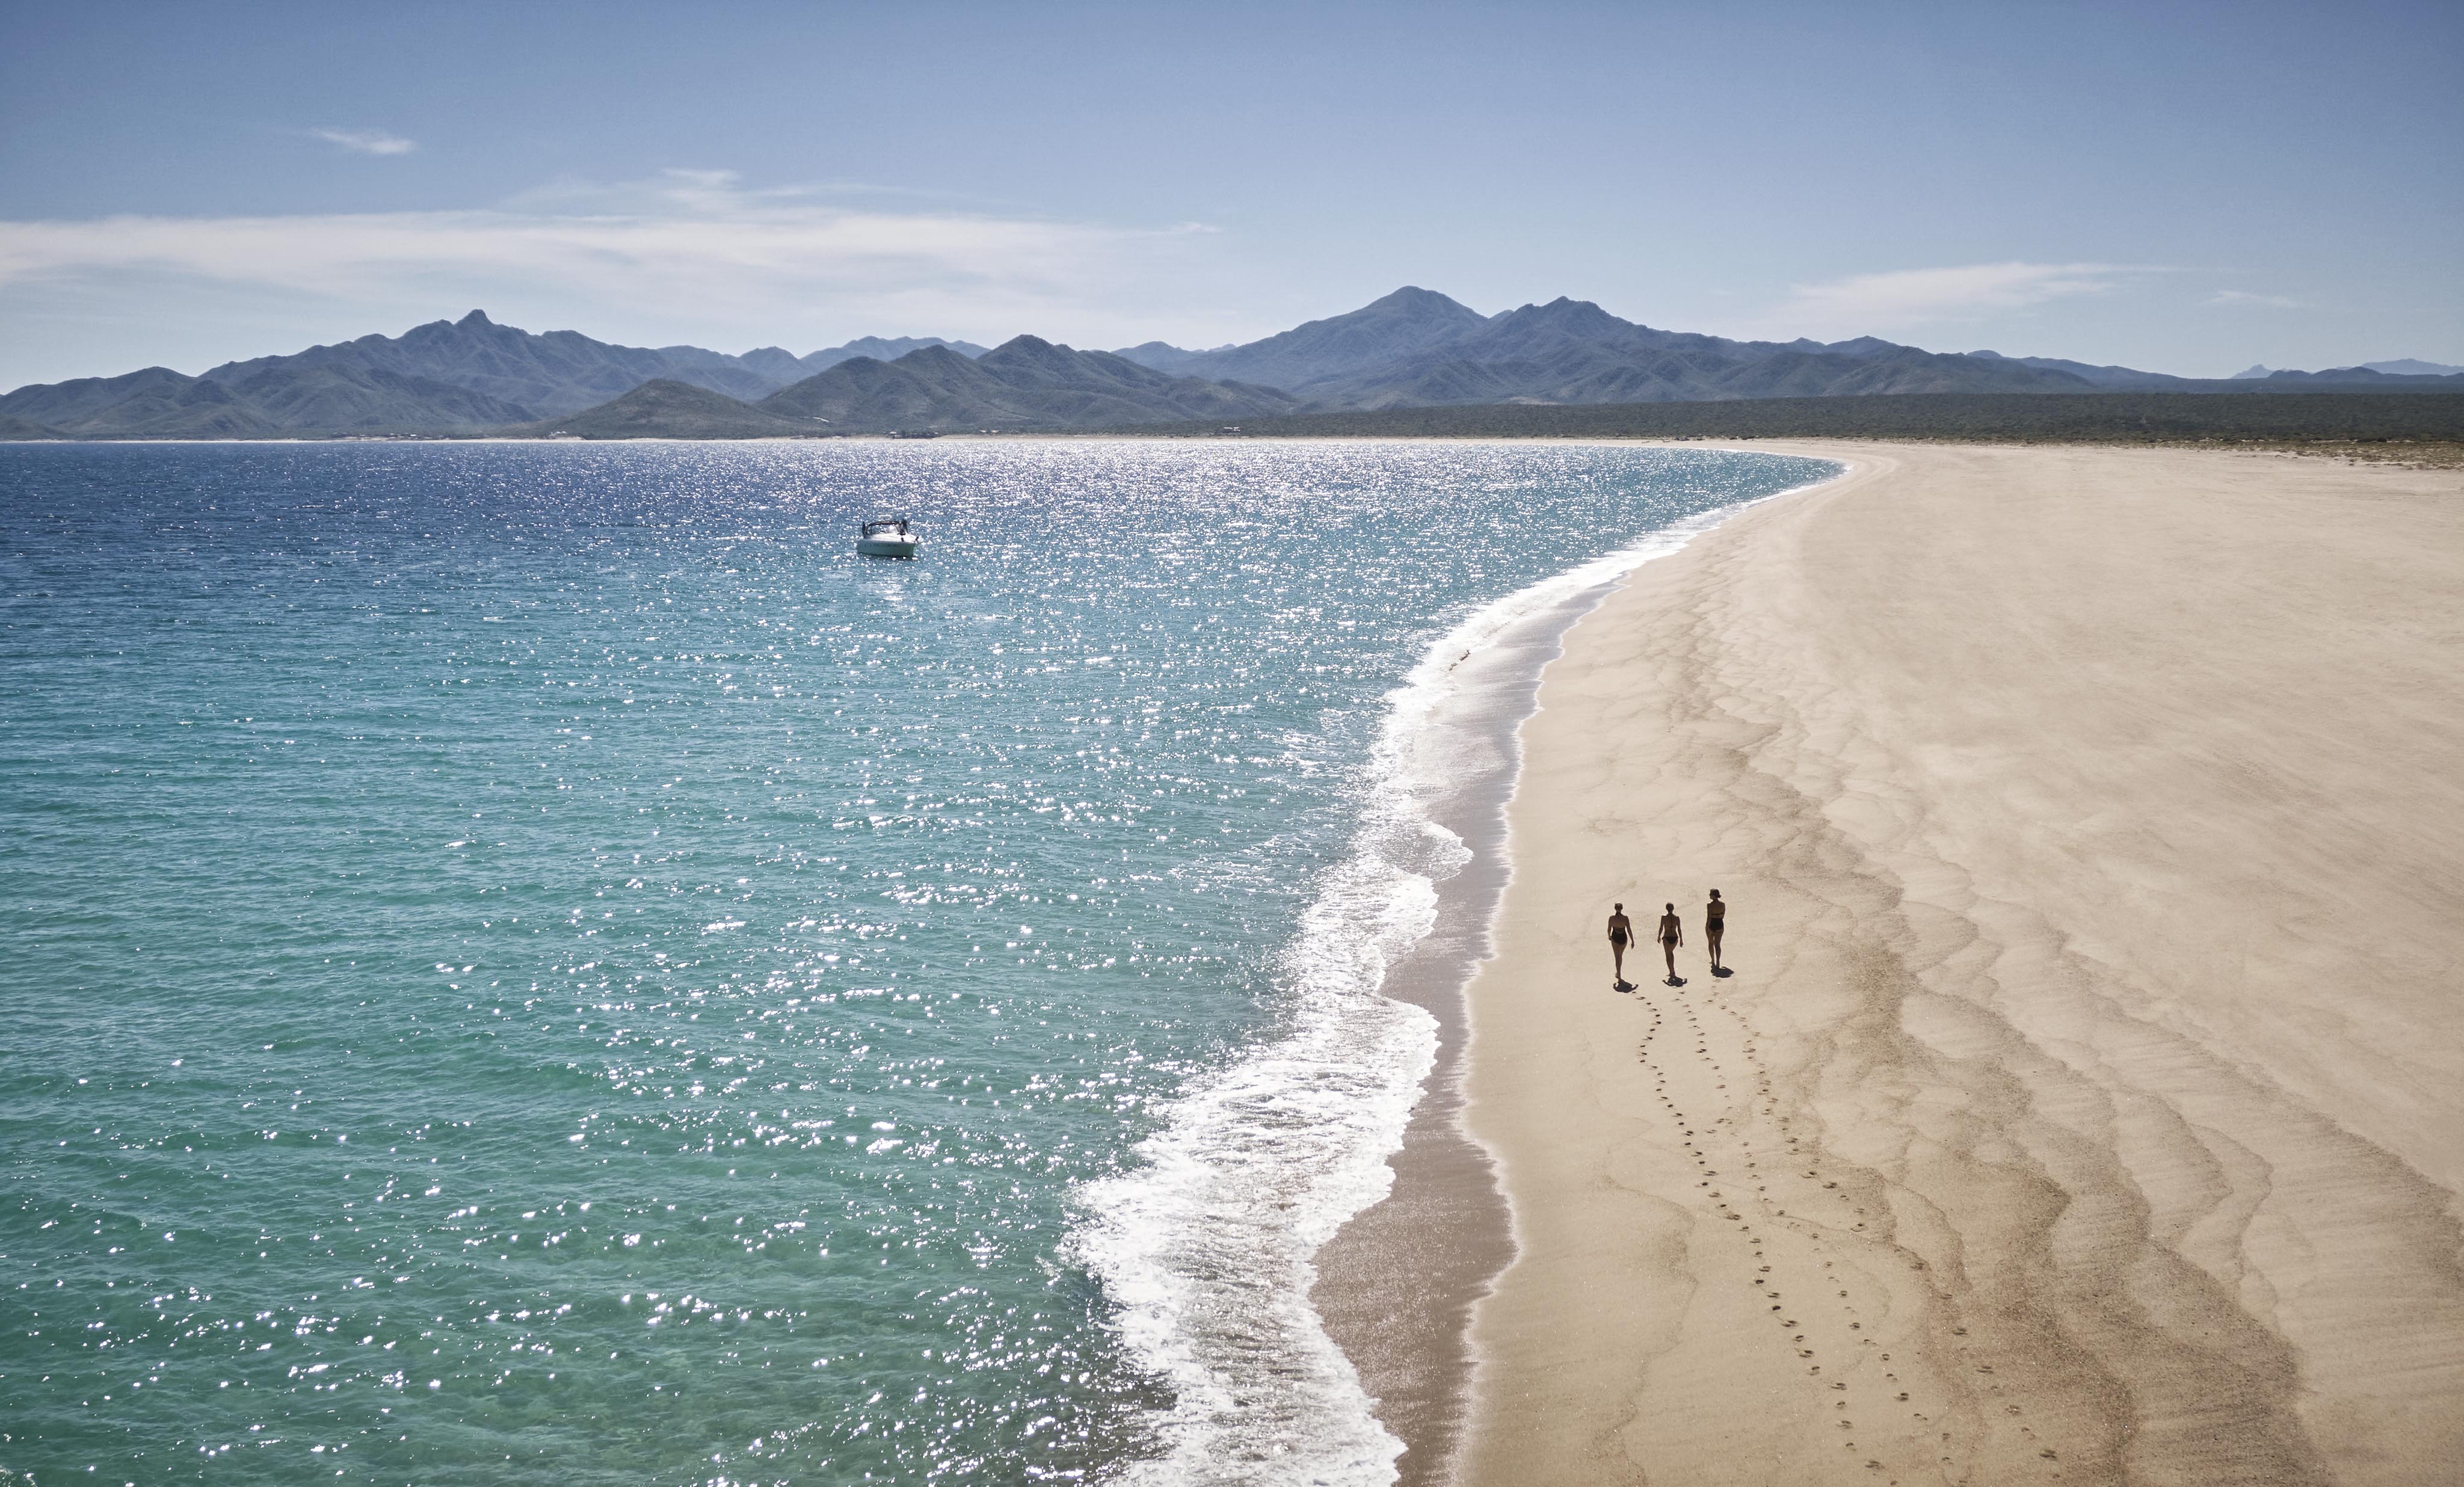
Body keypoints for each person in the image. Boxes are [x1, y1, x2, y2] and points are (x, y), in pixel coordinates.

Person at [1606, 903, 1635, 990]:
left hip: (1615, 938)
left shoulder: (1611, 918)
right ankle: (1618, 973)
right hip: (1623, 939)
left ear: (1615, 909)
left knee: (1617, 957)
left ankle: (1619, 975)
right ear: (1622, 908)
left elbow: (1609, 929)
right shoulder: (1625, 918)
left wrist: (1609, 936)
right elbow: (1629, 930)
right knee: (1620, 956)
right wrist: (1633, 940)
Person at [1657, 902, 1684, 984]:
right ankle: (1673, 971)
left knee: (1668, 954)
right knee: (1671, 953)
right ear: (1673, 908)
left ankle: (1671, 971)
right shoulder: (1677, 918)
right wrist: (1681, 939)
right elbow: (1679, 929)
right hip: (1675, 937)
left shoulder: (1664, 918)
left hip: (1667, 937)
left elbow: (1661, 928)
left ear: (1667, 908)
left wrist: (1659, 936)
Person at [1705, 888, 1726, 974]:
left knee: (1711, 943)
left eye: (1710, 894)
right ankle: (1718, 961)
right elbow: (1723, 915)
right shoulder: (1723, 904)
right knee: (1718, 944)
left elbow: (1709, 917)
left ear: (1713, 896)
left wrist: (1707, 926)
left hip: (1712, 924)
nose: (1709, 895)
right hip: (1720, 924)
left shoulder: (1710, 905)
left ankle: (1713, 960)